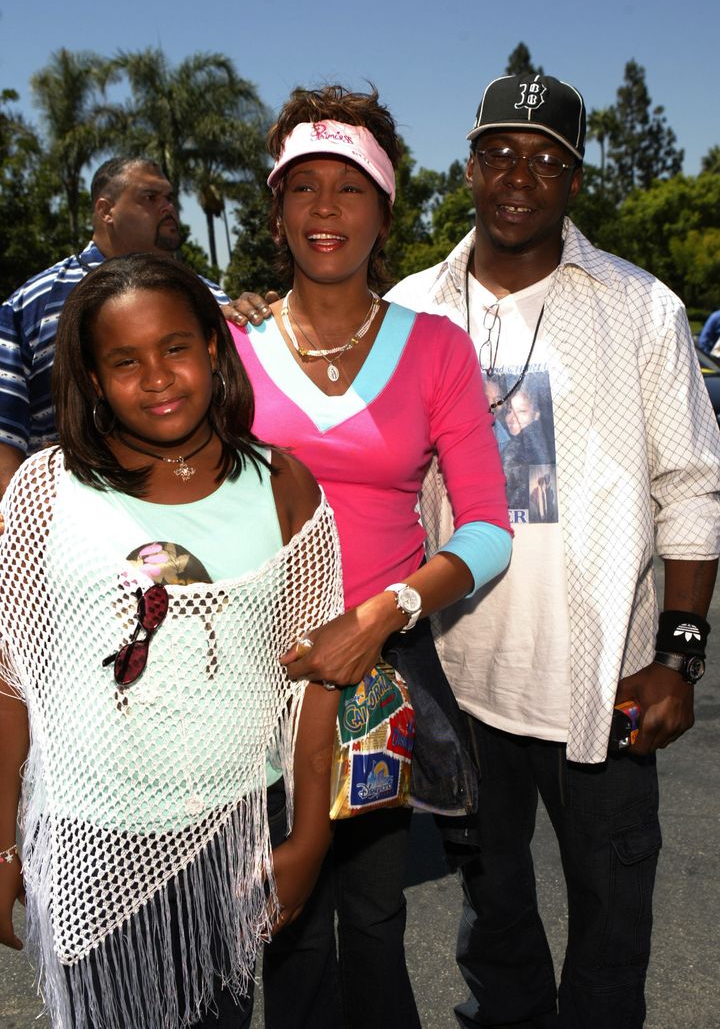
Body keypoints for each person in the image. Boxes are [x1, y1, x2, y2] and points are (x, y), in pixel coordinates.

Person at [386, 73, 720, 1028]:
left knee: (613, 923)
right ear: (470, 168)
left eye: (545, 159)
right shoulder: (413, 309)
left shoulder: (640, 308)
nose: (518, 176)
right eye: (500, 153)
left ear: (575, 180)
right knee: (494, 919)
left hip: (601, 679)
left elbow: (692, 484)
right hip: (460, 675)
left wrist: (679, 659)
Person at [228, 85, 512, 1029]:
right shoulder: (231, 350)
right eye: (301, 187)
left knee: (376, 918)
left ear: (385, 210)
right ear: (274, 210)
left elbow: (485, 530)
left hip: (381, 675)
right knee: (285, 923)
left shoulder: (435, 349)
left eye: (349, 188)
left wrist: (381, 616)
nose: (323, 209)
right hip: (255, 677)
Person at [0, 254, 345, 1029]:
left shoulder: (283, 486)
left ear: (216, 349)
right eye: (125, 361)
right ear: (91, 379)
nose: (156, 376)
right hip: (90, 838)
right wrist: (1, 848)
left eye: (176, 348)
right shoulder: (45, 490)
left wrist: (312, 835)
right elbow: (10, 681)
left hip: (228, 836)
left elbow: (316, 676)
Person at [0, 156, 239, 498]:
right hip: (67, 521)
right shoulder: (32, 304)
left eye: (169, 198)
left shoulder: (211, 298)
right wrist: (21, 522)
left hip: (199, 506)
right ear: (105, 210)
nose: (167, 207)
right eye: (149, 198)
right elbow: (4, 434)